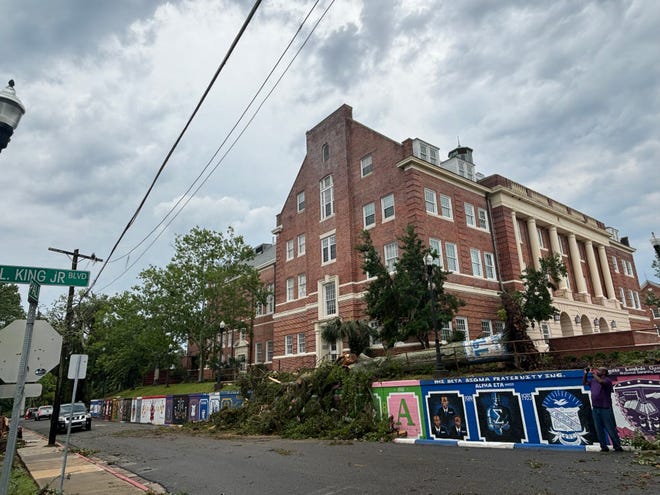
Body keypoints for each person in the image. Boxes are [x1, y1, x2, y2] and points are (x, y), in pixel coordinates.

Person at [583, 366, 623, 452]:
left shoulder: (607, 381)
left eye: (599, 370)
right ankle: (603, 447)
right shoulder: (594, 381)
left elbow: (601, 382)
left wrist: (593, 374)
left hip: (605, 408)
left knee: (610, 428)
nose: (597, 371)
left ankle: (617, 446)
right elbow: (585, 383)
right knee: (599, 429)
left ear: (604, 372)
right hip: (595, 408)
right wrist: (585, 374)